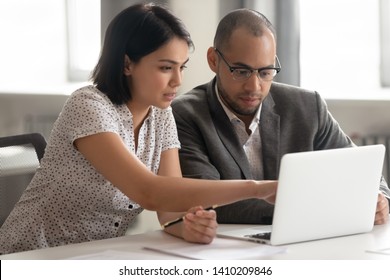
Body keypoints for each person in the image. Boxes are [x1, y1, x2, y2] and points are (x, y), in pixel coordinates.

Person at [0, 3, 278, 255]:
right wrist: (256, 188)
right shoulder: (88, 106)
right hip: (30, 255)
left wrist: (186, 226)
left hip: (95, 256)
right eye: (166, 67)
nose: (177, 80)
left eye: (182, 67)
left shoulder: (162, 114)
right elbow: (149, 191)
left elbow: (169, 207)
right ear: (127, 64)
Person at [171, 8, 390, 225]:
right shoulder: (185, 115)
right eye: (241, 71)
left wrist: (379, 199)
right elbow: (207, 202)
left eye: (265, 72)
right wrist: (327, 205)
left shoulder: (307, 106)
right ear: (213, 60)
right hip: (223, 249)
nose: (254, 86)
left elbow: (361, 172)